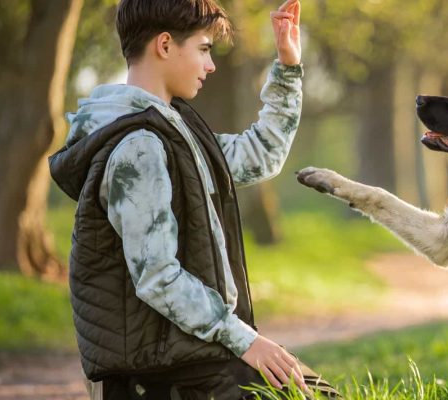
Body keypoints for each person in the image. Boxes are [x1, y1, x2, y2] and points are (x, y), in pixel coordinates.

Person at [49, 0, 336, 398]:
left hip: (190, 353)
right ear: (165, 45)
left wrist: (287, 68)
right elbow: (158, 275)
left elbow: (259, 156)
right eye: (203, 49)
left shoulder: (175, 131)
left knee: (317, 392)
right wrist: (247, 340)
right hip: (154, 374)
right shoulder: (139, 146)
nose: (211, 64)